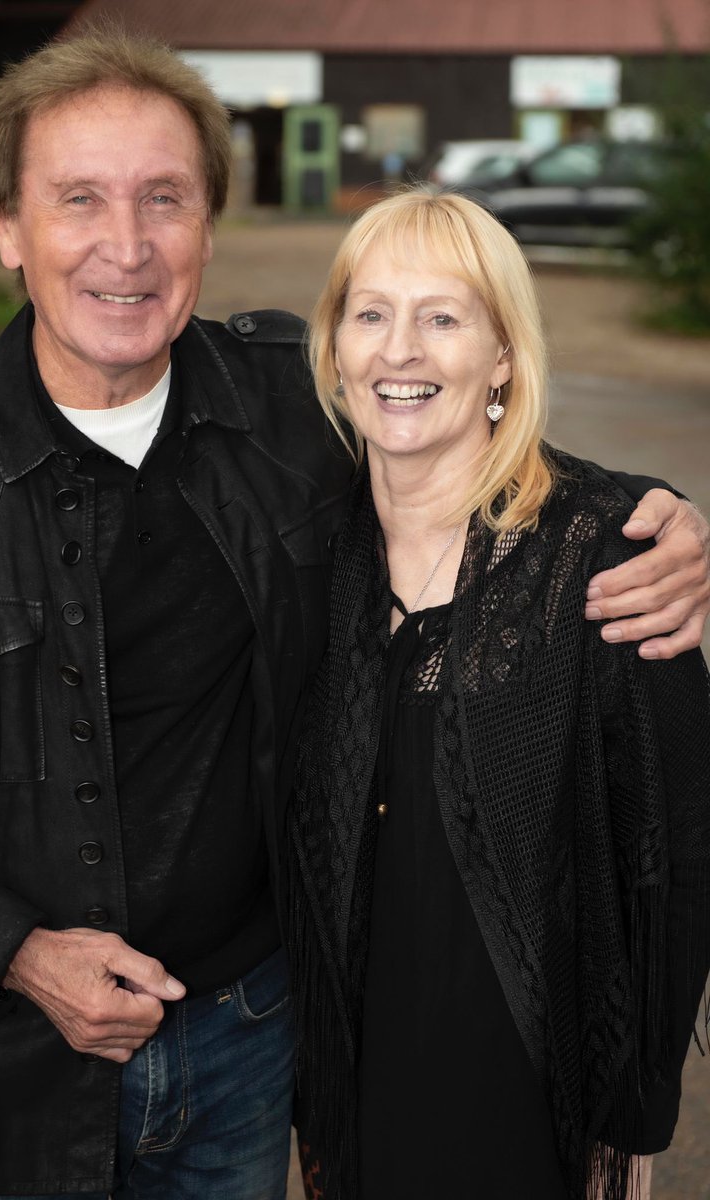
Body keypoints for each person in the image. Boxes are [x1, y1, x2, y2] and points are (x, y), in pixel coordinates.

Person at [0, 28, 706, 1200]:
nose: (126, 246)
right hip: (3, 1072)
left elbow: (451, 422)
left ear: (208, 227)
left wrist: (651, 518)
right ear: (8, 229)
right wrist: (12, 955)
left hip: (250, 1046)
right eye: (78, 200)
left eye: (163, 199)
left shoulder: (287, 406)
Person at [287, 188, 710, 1200]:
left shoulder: (602, 550)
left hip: (526, 1082)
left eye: (443, 317)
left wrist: (635, 1106)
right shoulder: (307, 549)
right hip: (347, 1061)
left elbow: (678, 841)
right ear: (334, 346)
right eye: (371, 313)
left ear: (503, 358)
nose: (400, 351)